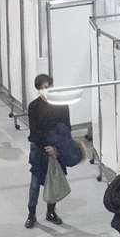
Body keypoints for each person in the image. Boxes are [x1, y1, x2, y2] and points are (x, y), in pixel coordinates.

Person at [26, 73, 79, 227]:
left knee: (54, 181)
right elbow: (34, 132)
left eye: (48, 87)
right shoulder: (34, 107)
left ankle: (51, 212)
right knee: (35, 183)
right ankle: (31, 214)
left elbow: (66, 128)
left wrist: (56, 148)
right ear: (38, 89)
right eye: (43, 88)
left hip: (57, 149)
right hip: (39, 149)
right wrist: (46, 147)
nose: (46, 90)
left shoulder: (62, 105)